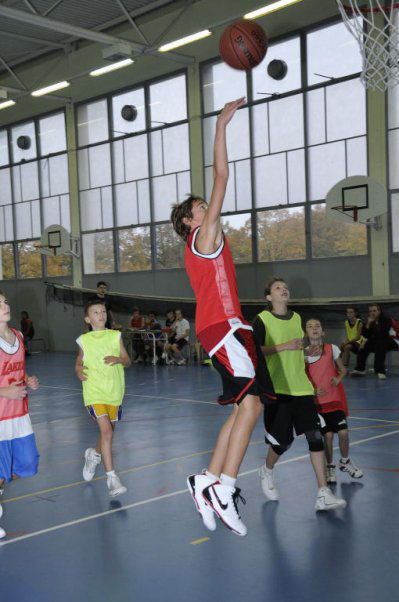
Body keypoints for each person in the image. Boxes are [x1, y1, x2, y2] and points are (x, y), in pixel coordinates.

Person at [171, 98, 275, 537]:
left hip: (228, 329)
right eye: (200, 206)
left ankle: (207, 479)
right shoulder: (204, 234)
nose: (207, 207)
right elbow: (223, 175)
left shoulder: (201, 244)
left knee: (241, 407)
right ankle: (226, 488)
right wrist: (220, 124)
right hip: (224, 330)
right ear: (190, 220)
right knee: (251, 404)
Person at [252, 277, 346, 512]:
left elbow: (297, 349)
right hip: (277, 389)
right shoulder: (262, 319)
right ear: (268, 297)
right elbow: (254, 351)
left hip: (302, 388)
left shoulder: (297, 319)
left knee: (316, 437)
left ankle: (323, 493)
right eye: (277, 287)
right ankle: (267, 470)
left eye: (285, 287)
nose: (283, 289)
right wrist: (284, 346)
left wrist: (307, 351)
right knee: (282, 442)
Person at [76, 299, 131, 497]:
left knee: (108, 431)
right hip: (94, 391)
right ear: (88, 318)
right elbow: (79, 361)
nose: (101, 315)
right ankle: (112, 479)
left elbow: (127, 360)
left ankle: (94, 454)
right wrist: (78, 370)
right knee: (107, 431)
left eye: (103, 311)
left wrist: (118, 359)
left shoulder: (115, 336)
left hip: (114, 392)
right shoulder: (84, 339)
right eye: (96, 312)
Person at [0, 292, 40, 539]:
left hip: (19, 415)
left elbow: (18, 372)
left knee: (25, 464)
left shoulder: (18, 336)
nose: (5, 305)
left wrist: (28, 380)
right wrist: (5, 390)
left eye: (4, 301)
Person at [305, 318, 363, 484]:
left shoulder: (332, 349)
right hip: (318, 403)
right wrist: (313, 390)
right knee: (328, 436)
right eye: (310, 326)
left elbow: (343, 369)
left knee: (343, 432)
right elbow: (301, 377)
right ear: (306, 333)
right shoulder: (304, 354)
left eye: (317, 326)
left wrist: (338, 378)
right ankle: (329, 467)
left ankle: (345, 461)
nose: (314, 328)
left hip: (334, 399)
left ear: (323, 331)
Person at [350, 304, 397, 379]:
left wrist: (376, 324)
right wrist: (368, 324)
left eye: (374, 311)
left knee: (380, 344)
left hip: (394, 340)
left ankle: (380, 371)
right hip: (381, 340)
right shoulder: (370, 320)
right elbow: (366, 335)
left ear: (379, 311)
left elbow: (384, 334)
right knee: (364, 344)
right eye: (370, 311)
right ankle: (360, 369)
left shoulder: (386, 318)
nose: (372, 313)